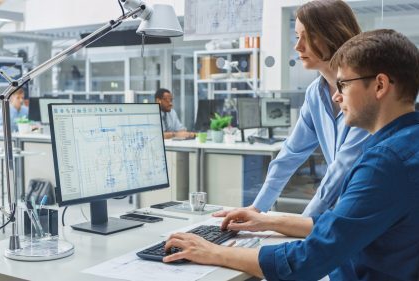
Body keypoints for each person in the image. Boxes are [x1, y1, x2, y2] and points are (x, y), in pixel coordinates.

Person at [164, 29, 419, 281]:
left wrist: (212, 251)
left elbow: (308, 260)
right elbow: (345, 224)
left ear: (380, 85)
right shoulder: (407, 142)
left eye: (343, 84)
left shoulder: (385, 163)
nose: (336, 95)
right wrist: (269, 221)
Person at [214, 0, 370, 218]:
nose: (298, 46)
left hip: (370, 209)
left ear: (333, 34)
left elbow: (342, 169)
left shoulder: (365, 91)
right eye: (297, 37)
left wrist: (299, 224)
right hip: (341, 212)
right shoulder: (316, 94)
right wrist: (258, 208)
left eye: (308, 36)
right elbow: (290, 154)